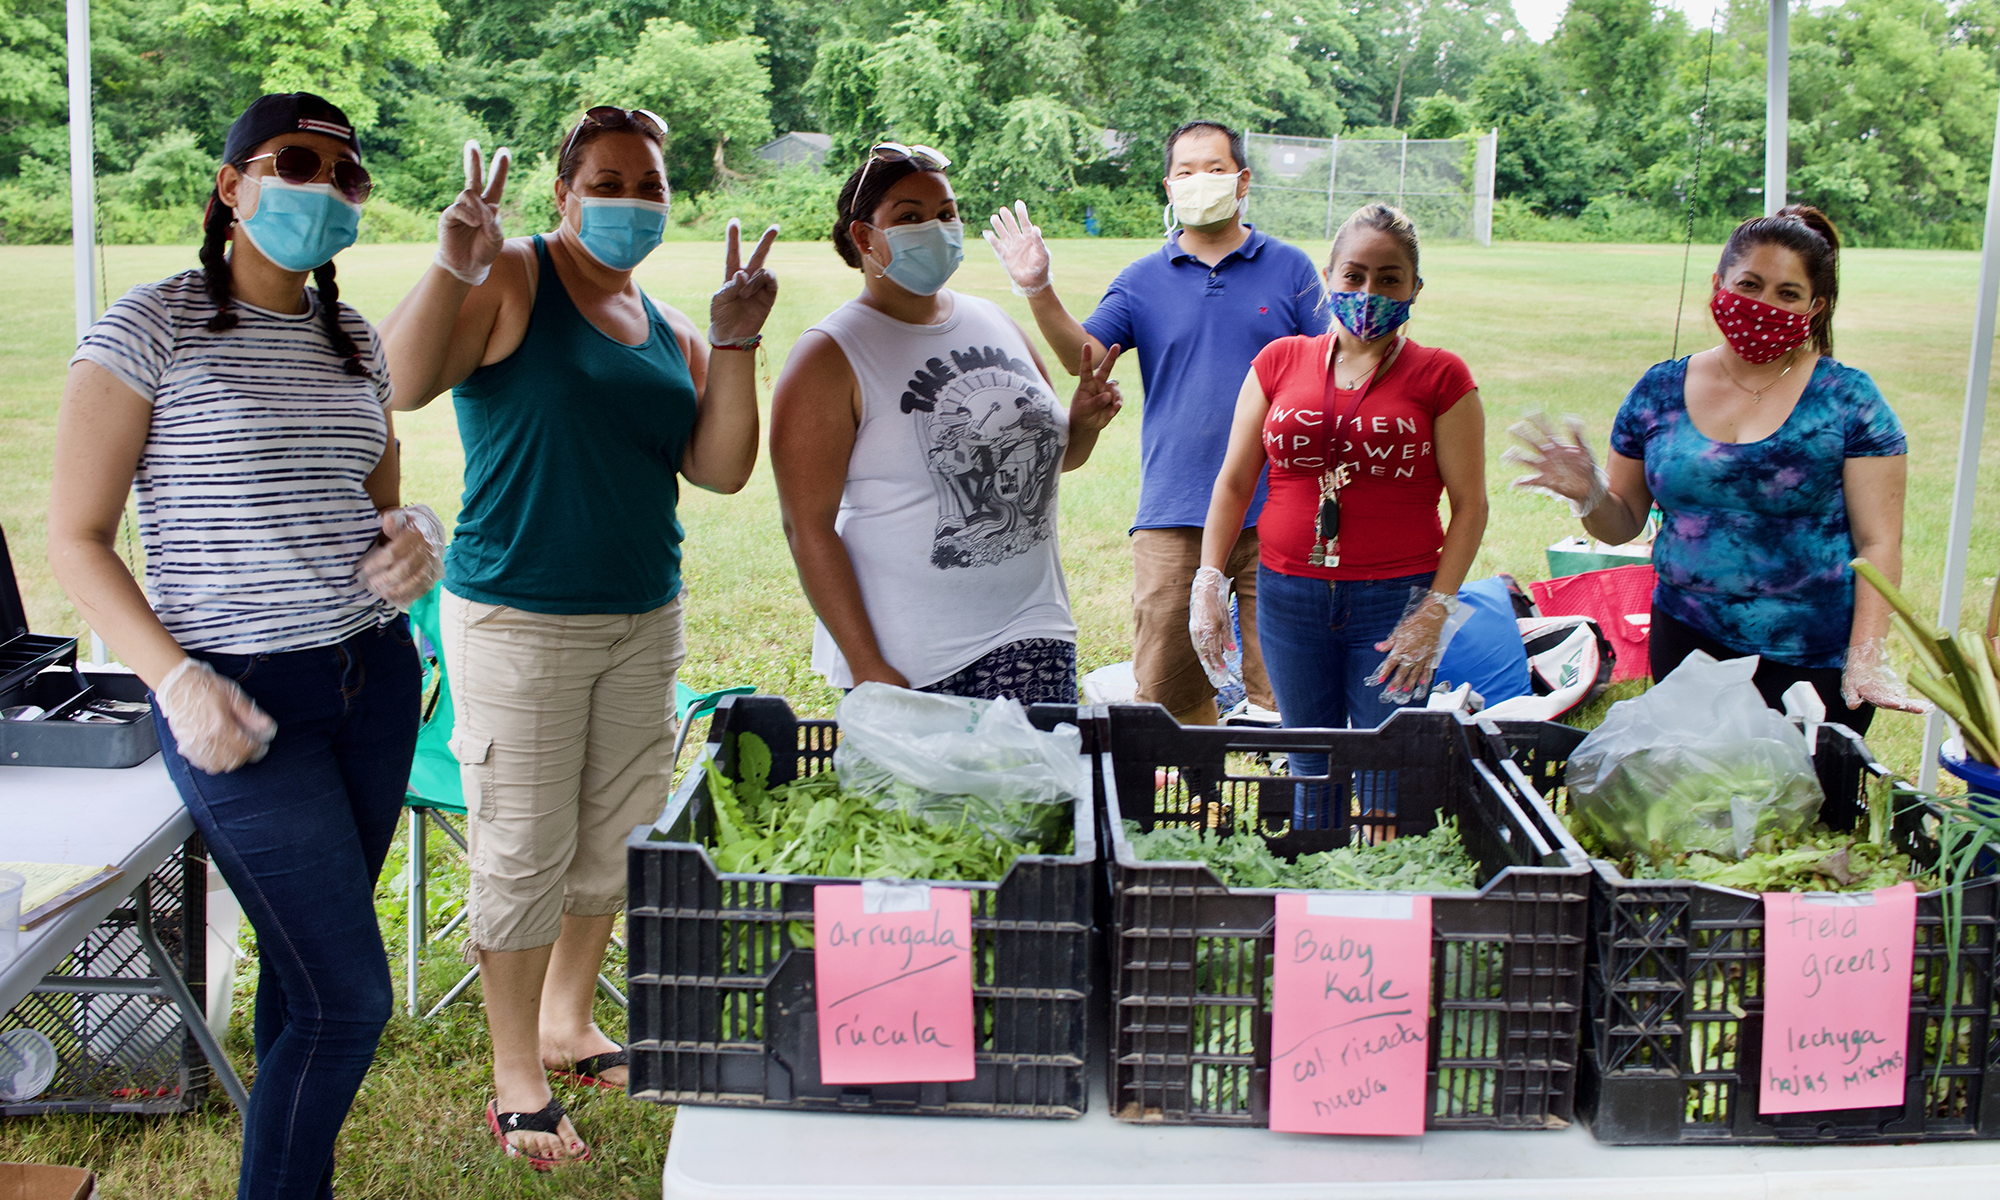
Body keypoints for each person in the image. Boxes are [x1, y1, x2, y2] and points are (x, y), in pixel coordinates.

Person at [48, 92, 439, 1200]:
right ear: (233, 186)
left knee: (306, 972)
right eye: (299, 164)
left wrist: (412, 540)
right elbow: (75, 539)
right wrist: (174, 680)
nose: (325, 190)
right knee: (350, 996)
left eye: (346, 176)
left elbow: (377, 502)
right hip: (236, 701)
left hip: (367, 683)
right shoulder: (148, 327)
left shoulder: (352, 336)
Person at [378, 106, 777, 1167]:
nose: (630, 202)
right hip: (517, 618)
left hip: (644, 612)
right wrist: (450, 266)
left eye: (648, 185)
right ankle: (514, 1071)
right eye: (606, 182)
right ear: (563, 193)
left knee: (614, 837)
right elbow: (404, 381)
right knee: (523, 848)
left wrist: (734, 338)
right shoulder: (512, 277)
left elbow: (722, 467)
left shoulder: (669, 323)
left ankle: (567, 1021)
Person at [1508, 204, 1922, 733]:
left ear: (1814, 307)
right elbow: (1624, 522)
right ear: (1718, 283)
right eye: (1749, 284)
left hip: (1811, 657)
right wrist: (1590, 495)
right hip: (1687, 640)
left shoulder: (1850, 400)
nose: (1763, 304)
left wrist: (1866, 652)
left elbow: (1878, 543)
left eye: (1786, 294)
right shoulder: (1659, 391)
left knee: (1798, 813)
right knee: (1694, 800)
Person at [985, 119, 1330, 725]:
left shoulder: (1292, 269)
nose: (1202, 181)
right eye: (1186, 171)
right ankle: (1198, 806)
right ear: (1167, 187)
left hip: (1281, 506)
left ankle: (1295, 802)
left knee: (1291, 690)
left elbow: (1336, 363)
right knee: (1170, 695)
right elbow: (1084, 359)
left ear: (1243, 180)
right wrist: (1037, 288)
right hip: (1175, 510)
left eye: (1216, 169)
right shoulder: (1142, 280)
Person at [771, 144, 1124, 704]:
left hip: (1035, 628)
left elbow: (1057, 459)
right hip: (913, 655)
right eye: (909, 217)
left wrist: (1082, 423)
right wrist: (867, 664)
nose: (935, 229)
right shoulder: (830, 355)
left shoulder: (993, 319)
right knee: (938, 796)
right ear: (865, 238)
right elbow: (806, 526)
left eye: (946, 214)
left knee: (1031, 790)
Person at [1190, 204, 1486, 825]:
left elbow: (1471, 507)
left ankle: (1377, 904)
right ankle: (1315, 890)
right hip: (1288, 595)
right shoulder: (1279, 361)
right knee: (1310, 762)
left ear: (1415, 289)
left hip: (1396, 601)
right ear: (1328, 278)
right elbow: (1236, 479)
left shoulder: (1442, 376)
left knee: (1384, 769)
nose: (1369, 292)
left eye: (1389, 278)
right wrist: (1209, 579)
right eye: (1353, 276)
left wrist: (1437, 610)